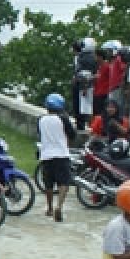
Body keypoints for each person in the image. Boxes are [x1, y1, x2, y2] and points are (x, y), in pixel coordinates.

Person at [39, 93, 77, 223]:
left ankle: (49, 208)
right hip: (61, 154)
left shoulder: (41, 119)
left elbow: (40, 134)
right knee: (64, 182)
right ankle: (59, 206)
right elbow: (72, 135)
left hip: (46, 155)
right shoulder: (63, 119)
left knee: (48, 183)